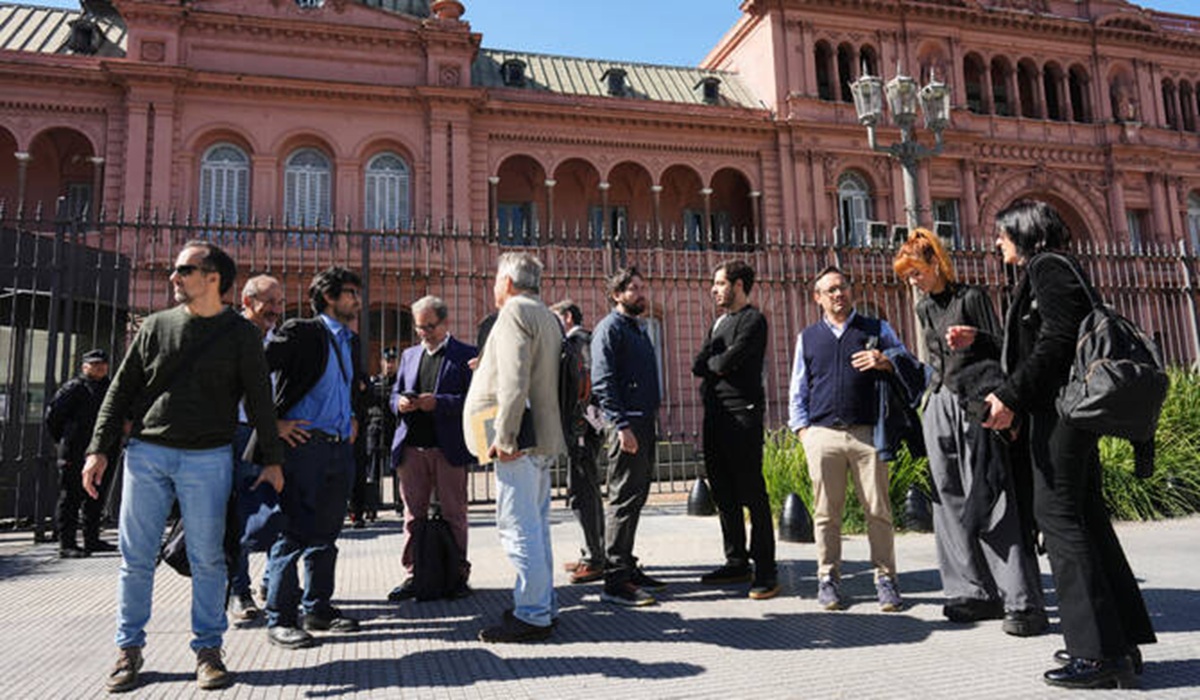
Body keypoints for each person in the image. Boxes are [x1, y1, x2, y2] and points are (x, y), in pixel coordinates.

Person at [81, 240, 284, 693]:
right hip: (147, 455)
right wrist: (99, 448)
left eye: (184, 270)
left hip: (208, 458)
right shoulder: (155, 326)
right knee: (135, 559)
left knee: (208, 559)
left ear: (213, 278)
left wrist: (273, 459)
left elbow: (259, 400)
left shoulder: (240, 334)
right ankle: (128, 650)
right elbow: (119, 391)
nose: (174, 277)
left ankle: (208, 650)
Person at [981, 200, 1155, 689]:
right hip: (1062, 414)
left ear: (1023, 233)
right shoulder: (1057, 267)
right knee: (1086, 519)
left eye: (1002, 233)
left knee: (1060, 522)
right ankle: (1117, 642)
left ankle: (1095, 655)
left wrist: (1011, 395)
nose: (997, 242)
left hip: (1062, 416)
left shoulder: (1047, 267)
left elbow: (1056, 341)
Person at [892, 230, 1047, 636]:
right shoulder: (924, 307)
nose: (913, 281)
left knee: (991, 495)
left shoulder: (972, 298)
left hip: (977, 401)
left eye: (917, 272)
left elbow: (1006, 349)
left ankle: (1021, 600)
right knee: (948, 500)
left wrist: (974, 337)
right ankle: (971, 592)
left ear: (936, 264)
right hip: (941, 401)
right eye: (907, 275)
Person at [787, 265, 918, 612]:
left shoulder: (876, 329)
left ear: (851, 291)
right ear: (817, 298)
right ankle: (828, 578)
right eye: (829, 290)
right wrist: (803, 432)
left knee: (878, 510)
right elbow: (798, 388)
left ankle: (886, 579)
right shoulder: (808, 337)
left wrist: (884, 359)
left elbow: (907, 362)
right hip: (822, 434)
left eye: (842, 287)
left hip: (867, 434)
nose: (837, 294)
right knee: (826, 513)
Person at [463, 252, 566, 642]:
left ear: (507, 282)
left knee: (517, 527)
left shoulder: (513, 313)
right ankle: (541, 603)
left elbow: (515, 377)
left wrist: (504, 437)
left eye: (494, 281)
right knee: (536, 527)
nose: (493, 288)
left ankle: (534, 614)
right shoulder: (547, 315)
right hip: (541, 438)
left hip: (518, 442)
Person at [262, 266, 364, 650]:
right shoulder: (301, 331)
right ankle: (281, 619)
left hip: (338, 448)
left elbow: (349, 386)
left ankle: (318, 608)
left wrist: (352, 414)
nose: (357, 299)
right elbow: (254, 370)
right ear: (329, 298)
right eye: (350, 292)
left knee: (326, 534)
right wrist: (273, 422)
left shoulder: (350, 341)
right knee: (292, 532)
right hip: (303, 448)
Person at [693, 261, 778, 600]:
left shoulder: (754, 321)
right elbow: (700, 364)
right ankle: (736, 560)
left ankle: (766, 569)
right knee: (723, 492)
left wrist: (717, 364)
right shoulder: (719, 322)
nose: (714, 289)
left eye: (719, 283)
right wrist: (716, 364)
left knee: (751, 491)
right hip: (714, 415)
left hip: (743, 414)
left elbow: (726, 362)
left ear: (738, 285)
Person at [386, 296, 477, 602]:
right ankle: (414, 573)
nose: (423, 332)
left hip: (447, 448)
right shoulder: (410, 355)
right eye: (419, 327)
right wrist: (399, 403)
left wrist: (438, 403)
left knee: (454, 513)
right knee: (413, 515)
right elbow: (393, 393)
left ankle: (457, 573)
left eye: (429, 326)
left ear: (445, 323)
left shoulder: (465, 355)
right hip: (412, 448)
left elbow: (474, 401)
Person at [591, 267, 665, 607]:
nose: (640, 292)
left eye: (641, 286)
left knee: (635, 497)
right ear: (616, 295)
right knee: (622, 499)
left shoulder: (637, 329)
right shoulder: (609, 329)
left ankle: (627, 565)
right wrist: (621, 425)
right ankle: (615, 580)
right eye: (633, 288)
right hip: (627, 426)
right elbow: (603, 381)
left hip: (644, 421)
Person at [227, 274, 285, 622]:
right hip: (237, 434)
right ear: (247, 302)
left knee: (276, 511)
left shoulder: (278, 340)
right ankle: (239, 591)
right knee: (238, 516)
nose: (276, 310)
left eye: (279, 303)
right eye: (269, 303)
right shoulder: (229, 336)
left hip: (272, 435)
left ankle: (272, 583)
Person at [550, 298, 606, 585]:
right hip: (580, 426)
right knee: (585, 490)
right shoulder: (576, 343)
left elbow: (587, 384)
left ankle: (594, 558)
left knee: (582, 492)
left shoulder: (579, 342)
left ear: (568, 317)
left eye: (555, 318)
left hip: (581, 428)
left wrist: (582, 424)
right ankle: (594, 552)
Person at [45, 348, 117, 558]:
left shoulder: (110, 387)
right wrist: (66, 439)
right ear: (84, 367)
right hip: (75, 450)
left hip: (103, 449)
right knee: (71, 496)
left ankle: (91, 539)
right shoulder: (74, 388)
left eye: (102, 364)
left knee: (96, 495)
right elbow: (53, 417)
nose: (100, 367)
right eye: (94, 364)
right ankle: (66, 543)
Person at [358, 346, 400, 527]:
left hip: (395, 429)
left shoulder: (401, 382)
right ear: (382, 362)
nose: (390, 365)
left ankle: (400, 504)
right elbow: (366, 401)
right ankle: (371, 507)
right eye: (387, 361)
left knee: (398, 469)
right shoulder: (374, 381)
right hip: (375, 429)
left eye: (393, 361)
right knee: (373, 470)